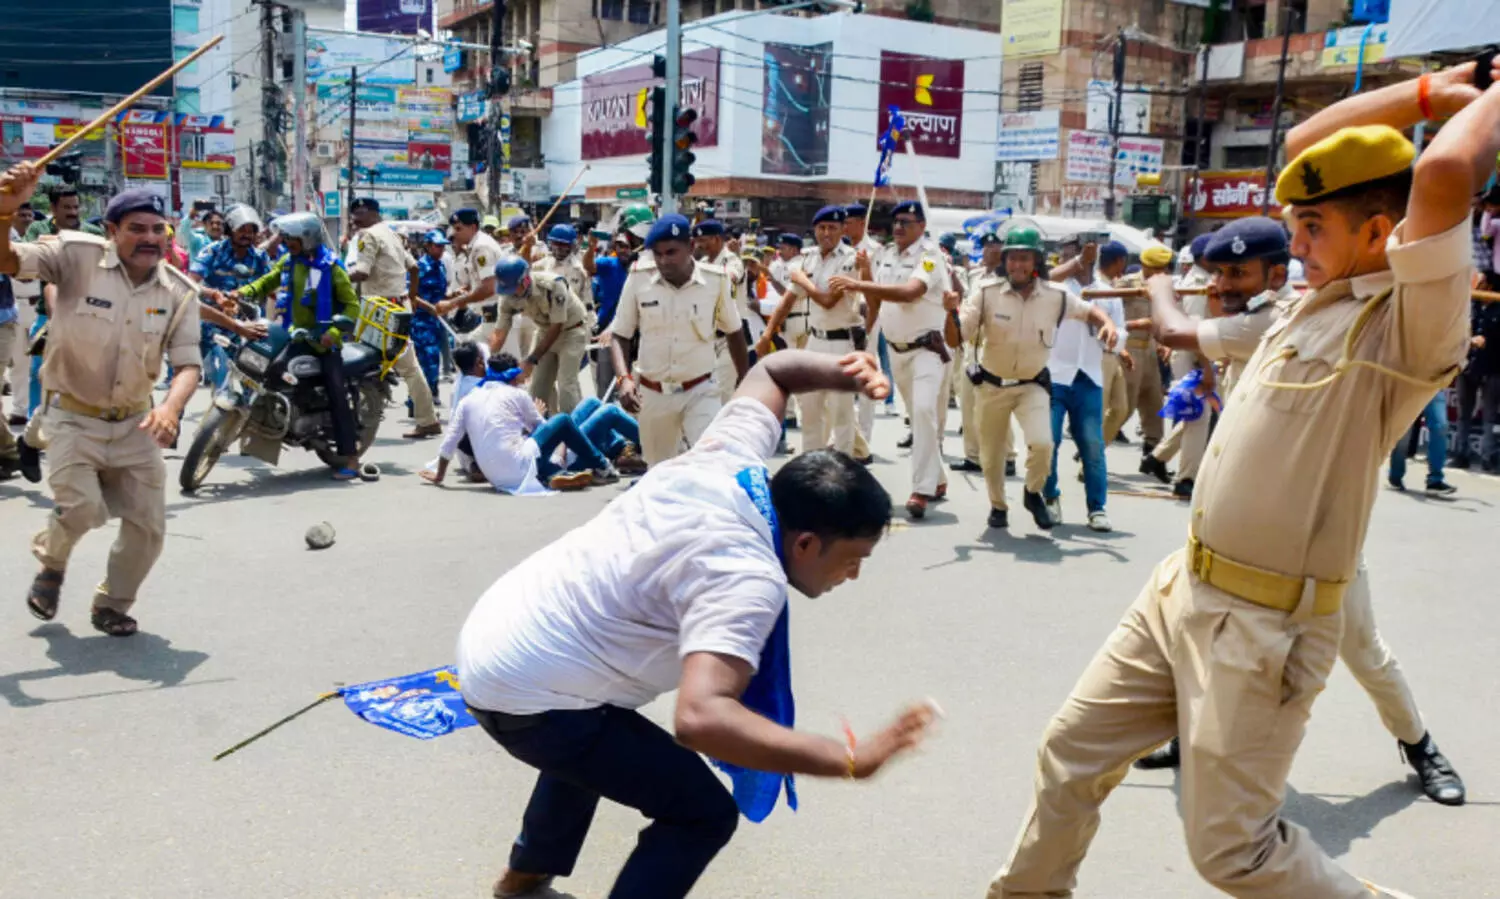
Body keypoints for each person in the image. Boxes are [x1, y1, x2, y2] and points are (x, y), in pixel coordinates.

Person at [988, 61, 1491, 899]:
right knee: (1070, 752)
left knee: (1235, 852)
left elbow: (1439, 174)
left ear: (1378, 233)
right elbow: (1303, 143)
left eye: (1311, 227)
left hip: (1264, 626)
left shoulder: (1405, 322)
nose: (1291, 245)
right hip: (1180, 589)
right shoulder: (1309, 294)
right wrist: (1436, 91)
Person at [456, 347, 936, 899]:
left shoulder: (728, 459)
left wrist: (843, 371)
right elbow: (702, 718)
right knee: (701, 812)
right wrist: (846, 759)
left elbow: (773, 370)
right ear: (804, 543)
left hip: (500, 633)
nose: (851, 576)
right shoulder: (745, 577)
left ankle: (520, 884)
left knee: (598, 737)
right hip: (530, 694)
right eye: (853, 559)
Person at [1132, 215, 1467, 808]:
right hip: (1243, 530)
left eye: (1240, 271)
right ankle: (1190, 733)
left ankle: (1418, 745)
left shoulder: (1273, 317)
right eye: (1219, 272)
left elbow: (1178, 332)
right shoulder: (1270, 315)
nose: (1227, 282)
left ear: (1275, 274)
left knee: (1363, 651)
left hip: (1312, 542)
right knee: (1202, 630)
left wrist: (1159, 286)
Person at [0, 172, 202, 637]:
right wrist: (7, 208)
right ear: (112, 232)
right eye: (137, 228)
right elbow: (7, 259)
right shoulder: (75, 256)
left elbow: (189, 364)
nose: (150, 238)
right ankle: (52, 563)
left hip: (135, 423)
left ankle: (111, 603)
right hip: (71, 415)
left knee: (149, 529)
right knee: (83, 508)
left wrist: (169, 408)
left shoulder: (178, 292)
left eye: (158, 229)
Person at [962, 227, 1117, 531]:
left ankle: (1033, 493)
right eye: (1012, 258)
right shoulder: (985, 293)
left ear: (1036, 261)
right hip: (991, 385)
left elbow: (1091, 312)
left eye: (1024, 258)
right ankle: (998, 506)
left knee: (1044, 444)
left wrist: (1108, 324)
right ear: (1005, 260)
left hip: (1032, 385)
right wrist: (948, 313)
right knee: (991, 458)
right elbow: (958, 334)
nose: (1017, 265)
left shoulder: (1057, 297)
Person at [830, 201, 951, 519]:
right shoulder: (884, 255)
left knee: (924, 411)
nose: (898, 227)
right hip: (897, 350)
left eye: (906, 222)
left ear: (922, 226)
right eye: (895, 222)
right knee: (917, 414)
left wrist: (859, 282)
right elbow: (876, 299)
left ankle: (921, 490)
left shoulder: (930, 257)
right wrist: (867, 331)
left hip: (927, 349)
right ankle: (937, 479)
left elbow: (911, 291)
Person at [231, 213, 364, 480]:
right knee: (268, 372)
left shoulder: (332, 267)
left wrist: (335, 332)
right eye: (286, 237)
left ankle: (351, 458)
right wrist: (243, 293)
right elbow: (267, 281)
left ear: (307, 238)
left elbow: (352, 306)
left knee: (337, 395)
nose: (286, 242)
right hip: (294, 334)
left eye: (291, 238)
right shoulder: (290, 262)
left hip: (324, 343)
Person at [609, 215, 749, 467]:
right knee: (658, 471)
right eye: (658, 254)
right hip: (652, 394)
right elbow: (620, 335)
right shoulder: (639, 278)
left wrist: (745, 380)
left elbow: (734, 331)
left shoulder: (716, 281)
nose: (664, 261)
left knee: (709, 463)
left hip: (701, 389)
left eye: (671, 252)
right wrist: (624, 380)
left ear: (691, 247)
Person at [422, 352, 617, 494]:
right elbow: (543, 430)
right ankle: (603, 467)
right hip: (521, 465)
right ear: (514, 376)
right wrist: (542, 417)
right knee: (566, 420)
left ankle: (555, 473)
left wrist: (439, 475)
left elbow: (450, 441)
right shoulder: (517, 394)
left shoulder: (468, 399)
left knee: (586, 412)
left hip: (495, 477)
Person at [758, 206, 860, 454]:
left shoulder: (850, 259)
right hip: (814, 342)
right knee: (810, 410)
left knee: (841, 414)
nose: (826, 233)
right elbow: (789, 299)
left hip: (841, 344)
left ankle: (843, 474)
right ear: (814, 230)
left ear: (842, 230)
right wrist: (768, 333)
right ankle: (811, 468)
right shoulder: (809, 258)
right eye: (821, 228)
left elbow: (827, 301)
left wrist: (804, 281)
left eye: (832, 228)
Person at [1038, 242, 1124, 532]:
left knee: (1092, 445)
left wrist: (1112, 336)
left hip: (1089, 376)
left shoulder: (1108, 290)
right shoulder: (1055, 289)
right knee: (1048, 441)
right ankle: (1050, 498)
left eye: (1084, 254)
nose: (1075, 260)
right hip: (1055, 375)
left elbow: (1120, 330)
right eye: (1067, 256)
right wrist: (1075, 262)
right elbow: (1044, 278)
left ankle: (1097, 509)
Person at [346, 197, 442, 439]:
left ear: (374, 213)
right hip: (397, 307)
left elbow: (362, 272)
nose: (355, 218)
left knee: (361, 363)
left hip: (380, 311)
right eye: (353, 212)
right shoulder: (392, 235)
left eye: (361, 212)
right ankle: (426, 418)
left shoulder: (368, 236)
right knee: (403, 366)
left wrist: (335, 275)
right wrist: (408, 298)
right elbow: (414, 269)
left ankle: (360, 419)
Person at [483, 255, 590, 415]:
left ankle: (574, 428)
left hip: (572, 331)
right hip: (544, 332)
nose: (510, 294)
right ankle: (542, 428)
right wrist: (487, 362)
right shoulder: (507, 296)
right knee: (538, 386)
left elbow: (557, 326)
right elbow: (500, 332)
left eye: (513, 288)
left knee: (566, 384)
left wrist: (531, 360)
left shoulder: (553, 285)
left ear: (525, 280)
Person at [187, 204, 273, 392]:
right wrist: (215, 295)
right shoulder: (212, 252)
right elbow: (190, 284)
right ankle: (173, 417)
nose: (247, 234)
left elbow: (273, 285)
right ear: (230, 230)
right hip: (214, 326)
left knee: (254, 384)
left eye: (251, 230)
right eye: (242, 229)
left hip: (250, 327)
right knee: (189, 373)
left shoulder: (260, 257)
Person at [583, 207, 653, 397]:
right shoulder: (609, 264)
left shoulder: (647, 268)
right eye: (620, 245)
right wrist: (591, 248)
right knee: (606, 387)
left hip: (640, 336)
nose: (624, 249)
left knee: (637, 386)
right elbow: (589, 266)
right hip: (609, 334)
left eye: (629, 244)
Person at [1113, 242, 1170, 452]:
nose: (1159, 273)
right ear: (1144, 265)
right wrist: (1136, 325)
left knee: (1154, 403)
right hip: (1129, 348)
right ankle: (1093, 447)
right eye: (1155, 268)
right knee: (1124, 406)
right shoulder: (1126, 285)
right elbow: (1109, 317)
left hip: (1150, 349)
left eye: (1162, 268)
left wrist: (1162, 343)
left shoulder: (1165, 286)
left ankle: (1153, 451)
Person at [692, 220, 748, 406]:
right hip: (707, 338)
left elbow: (731, 276)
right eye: (697, 240)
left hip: (729, 340)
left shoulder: (731, 260)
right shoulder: (702, 262)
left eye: (703, 240)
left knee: (723, 392)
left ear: (717, 239)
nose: (699, 244)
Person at [1453, 283, 1500, 470]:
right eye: (1479, 286)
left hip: (1492, 368)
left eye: (1485, 287)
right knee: (1464, 413)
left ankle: (1488, 457)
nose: (1482, 290)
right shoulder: (1469, 306)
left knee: (1489, 415)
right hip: (1468, 367)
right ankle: (1461, 454)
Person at [442, 208, 503, 345]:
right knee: (467, 352)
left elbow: (489, 288)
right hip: (489, 317)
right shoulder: (475, 245)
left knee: (472, 355)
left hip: (498, 317)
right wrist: (461, 293)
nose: (455, 234)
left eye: (459, 229)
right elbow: (478, 282)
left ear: (473, 227)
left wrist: (452, 304)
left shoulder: (481, 247)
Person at [410, 230, 452, 404]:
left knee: (434, 360)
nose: (441, 249)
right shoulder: (418, 267)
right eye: (437, 246)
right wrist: (430, 308)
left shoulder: (440, 265)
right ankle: (417, 402)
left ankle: (431, 396)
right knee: (424, 362)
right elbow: (411, 295)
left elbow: (440, 293)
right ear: (427, 246)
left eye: (443, 246)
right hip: (421, 322)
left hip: (437, 321)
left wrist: (453, 296)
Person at [1388, 391, 1458, 493]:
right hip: (1410, 383)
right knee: (1404, 429)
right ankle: (1395, 474)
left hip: (1435, 384)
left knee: (1440, 426)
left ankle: (1435, 480)